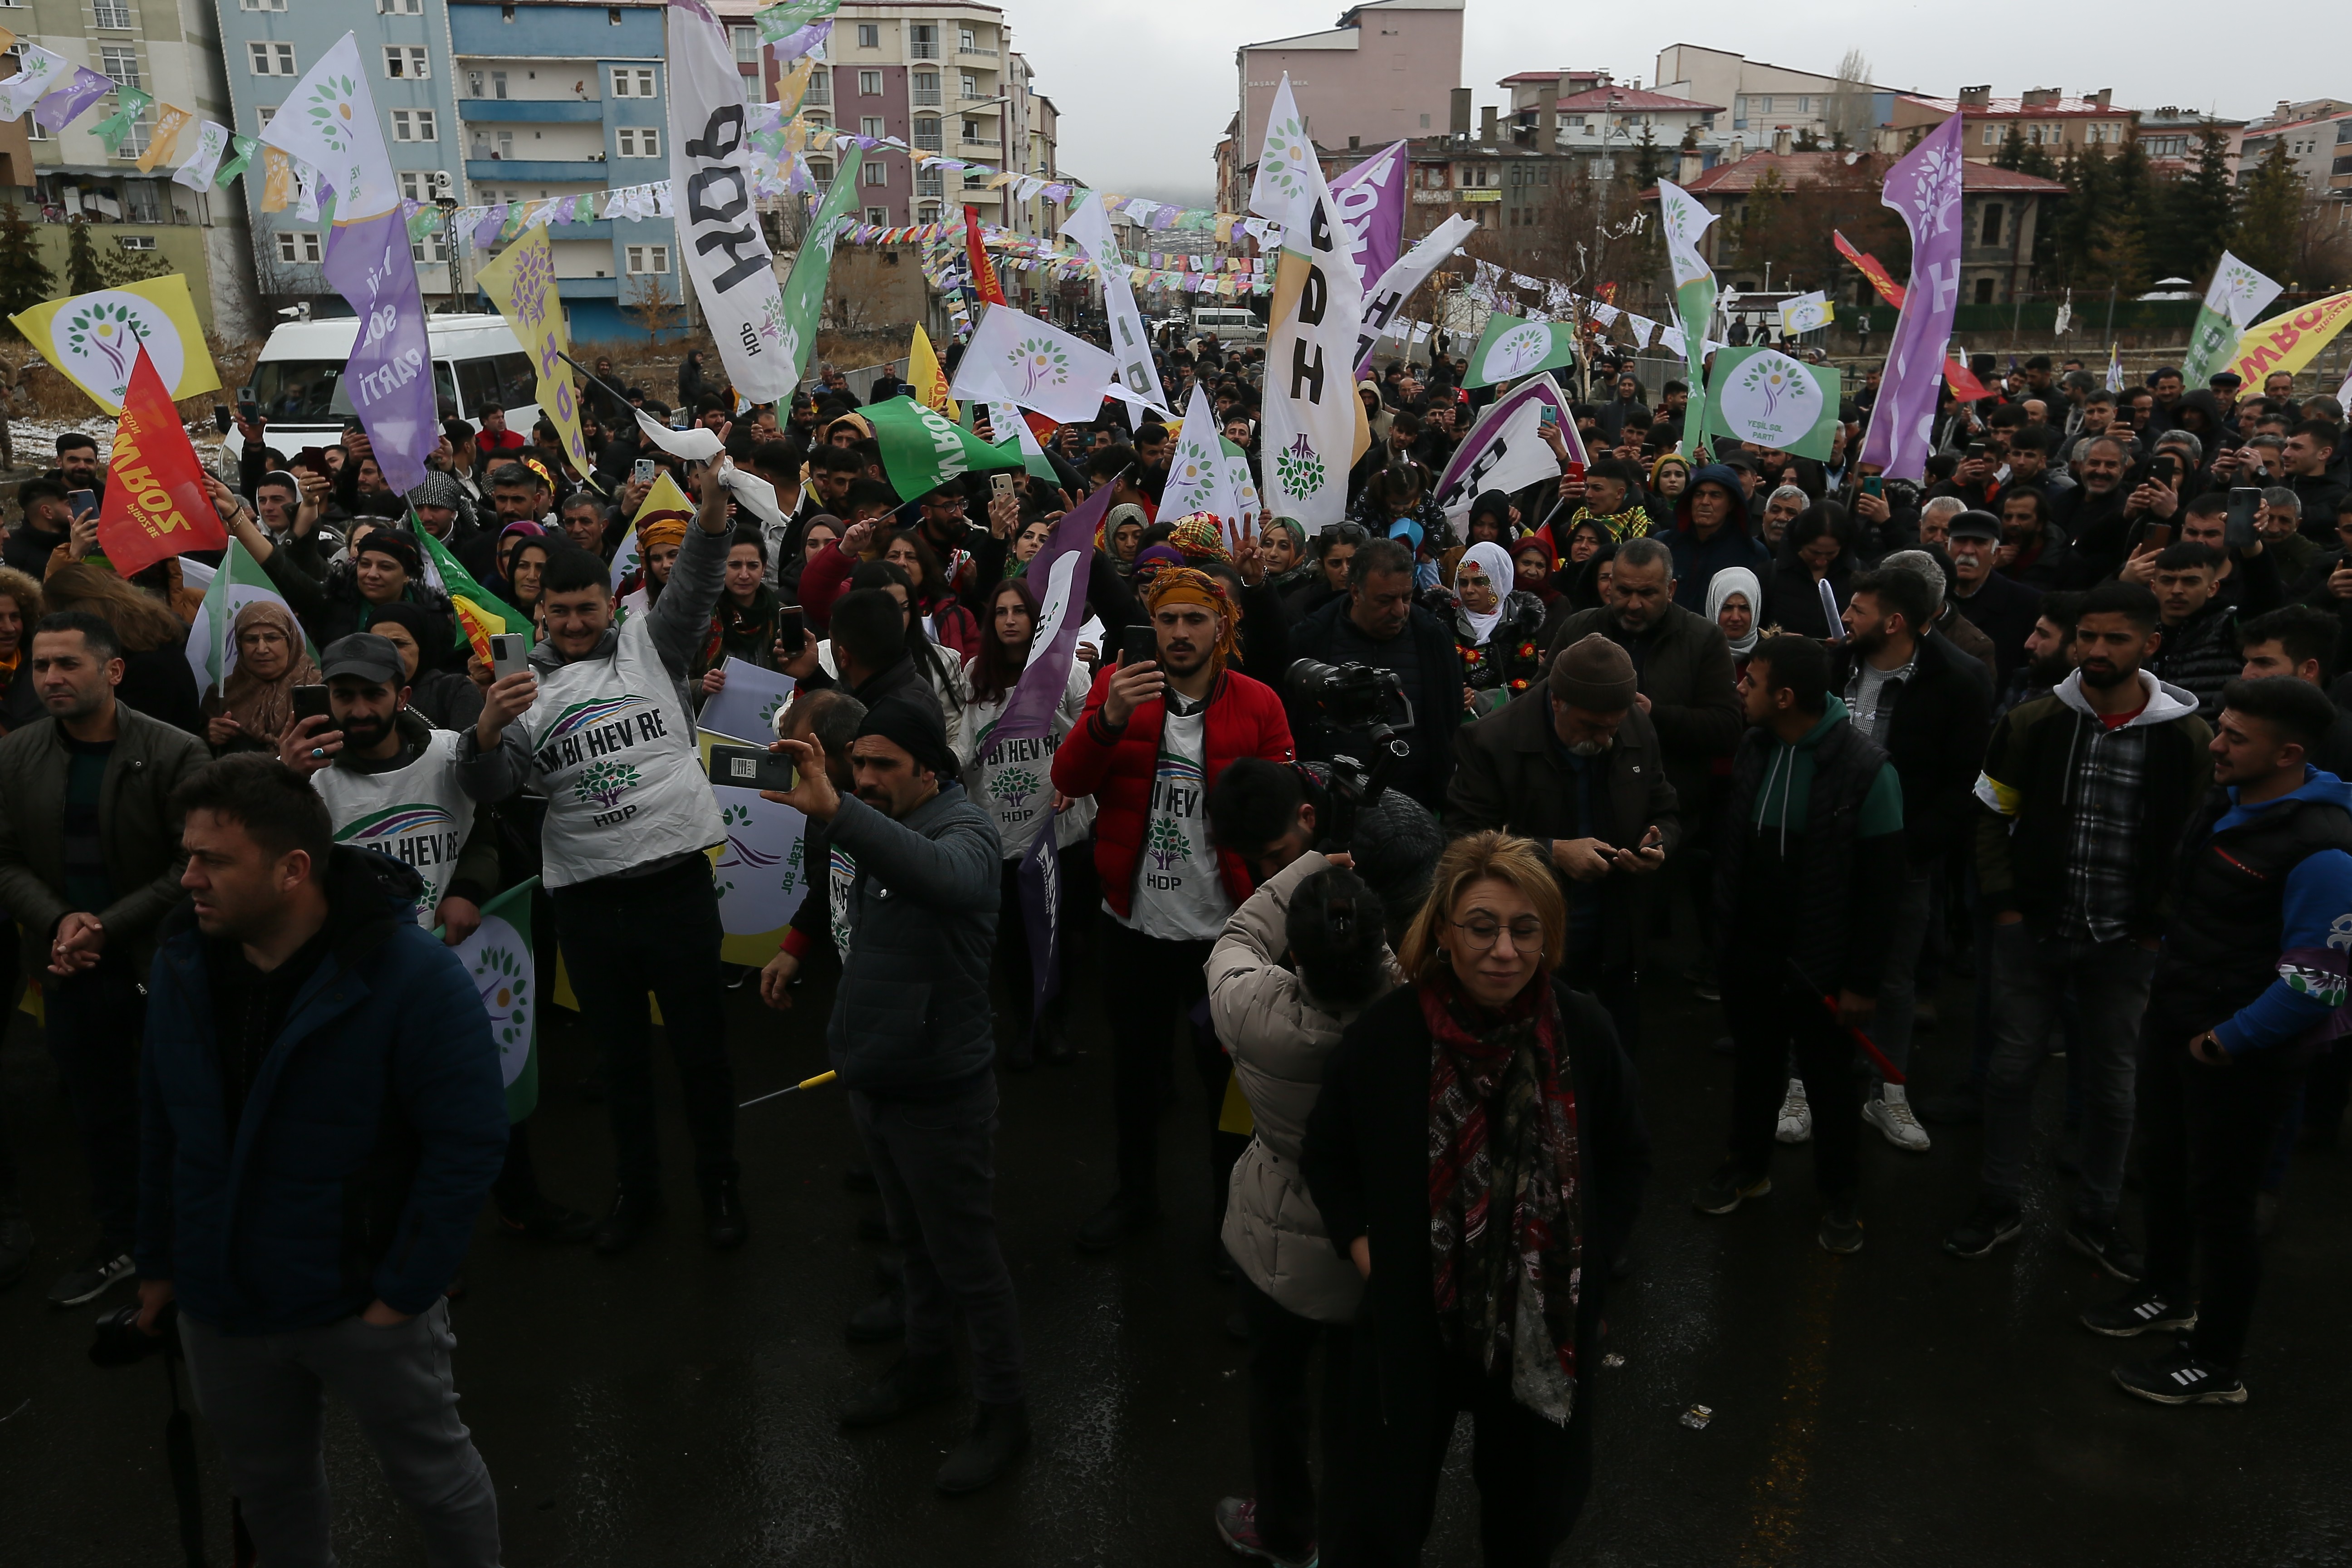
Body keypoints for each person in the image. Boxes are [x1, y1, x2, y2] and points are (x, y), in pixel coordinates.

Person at [134, 755, 509, 1567]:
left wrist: (402, 1292)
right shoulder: (180, 965)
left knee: (433, 1479)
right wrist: (163, 1263)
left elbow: (468, 1142)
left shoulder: (413, 977)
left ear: (292, 869)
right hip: (222, 1303)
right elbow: (163, 1122)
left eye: (213, 860)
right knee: (267, 1485)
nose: (189, 878)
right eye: (186, 855)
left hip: (361, 1301)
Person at [1300, 832, 1648, 1568]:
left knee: (1524, 1520)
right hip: (1413, 1322)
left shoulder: (1581, 1029)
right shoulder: (1387, 1037)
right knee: (1379, 1518)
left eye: (1525, 930)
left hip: (1535, 1319)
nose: (1503, 951)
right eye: (1481, 926)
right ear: (1444, 931)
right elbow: (1327, 1152)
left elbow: (1625, 1155)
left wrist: (1590, 1265)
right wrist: (1368, 1252)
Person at [455, 466, 743, 1255]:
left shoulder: (655, 643)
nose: (575, 624)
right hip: (587, 902)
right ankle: (637, 1194)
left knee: (701, 1054)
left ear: (608, 605)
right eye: (561, 613)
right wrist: (483, 729)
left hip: (677, 886)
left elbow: (698, 576)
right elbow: (489, 787)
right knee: (620, 1065)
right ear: (538, 613)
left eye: (587, 610)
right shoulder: (521, 689)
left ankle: (720, 1189)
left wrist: (712, 507)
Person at [762, 695, 1030, 1494]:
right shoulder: (868, 820)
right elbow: (848, 909)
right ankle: (924, 1365)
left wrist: (841, 810)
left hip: (939, 1088)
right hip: (874, 1073)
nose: (867, 778)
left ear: (929, 769)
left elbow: (941, 877)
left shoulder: (964, 832)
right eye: (861, 763)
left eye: (885, 766)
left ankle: (1005, 1412)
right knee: (910, 1243)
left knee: (967, 1260)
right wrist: (792, 952)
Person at [2086, 679, 2352, 1403]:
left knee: (2224, 1209)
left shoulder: (2323, 851)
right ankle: (2168, 1292)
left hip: (2238, 1058)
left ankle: (2214, 1365)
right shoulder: (2229, 799)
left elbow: (2319, 984)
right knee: (2167, 1171)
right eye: (2221, 728)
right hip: (2177, 1026)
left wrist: (2226, 1042)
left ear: (2290, 753)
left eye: (2237, 736)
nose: (2219, 744)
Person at [1951, 580, 2213, 1275]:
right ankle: (1999, 1200)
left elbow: (2195, 840)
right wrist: (2005, 905)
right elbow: (1991, 813)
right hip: (2034, 934)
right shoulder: (2035, 722)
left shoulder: (2187, 739)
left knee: (2112, 1085)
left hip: (2127, 946)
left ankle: (2096, 1215)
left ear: (2150, 645)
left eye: (2115, 639)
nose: (2096, 650)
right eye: (2088, 637)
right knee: (2010, 1072)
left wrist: (2159, 927)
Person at [1050, 564, 1295, 1252]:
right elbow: (1068, 780)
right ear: (1149, 626)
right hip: (1134, 928)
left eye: (1196, 620)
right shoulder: (1117, 688)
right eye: (1168, 620)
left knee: (1228, 1084)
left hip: (1227, 940)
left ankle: (1232, 1216)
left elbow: (1282, 817)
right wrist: (1110, 718)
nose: (1180, 634)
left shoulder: (1258, 704)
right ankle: (1136, 1197)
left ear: (1223, 628)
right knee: (1134, 1073)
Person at [0, 611, 209, 1305]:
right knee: (100, 1115)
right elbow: (6, 860)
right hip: (71, 970)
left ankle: (197, 1245)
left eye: (67, 664)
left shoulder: (178, 753)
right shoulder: (15, 756)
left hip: (161, 966)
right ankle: (124, 1240)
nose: (51, 679)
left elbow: (192, 861)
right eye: (41, 666)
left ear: (112, 670)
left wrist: (106, 927)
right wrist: (60, 923)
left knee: (180, 1109)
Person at [1207, 853, 1393, 1568]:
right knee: (1358, 1410)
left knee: (1276, 1388)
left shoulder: (1253, 1010)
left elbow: (1235, 939)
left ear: (1299, 952)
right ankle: (1351, 1537)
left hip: (1272, 1233)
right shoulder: (1411, 1012)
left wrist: (1307, 868)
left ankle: (1286, 1529)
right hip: (1372, 1243)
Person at [1694, 635, 1903, 1253]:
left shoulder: (1869, 771)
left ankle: (1841, 1197)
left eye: (1750, 681)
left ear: (1784, 697)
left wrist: (1863, 981)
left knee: (1831, 1086)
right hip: (1751, 957)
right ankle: (1747, 1167)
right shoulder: (1755, 747)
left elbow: (1882, 890)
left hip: (1825, 967)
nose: (1740, 689)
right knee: (1756, 1069)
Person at [1447, 636, 1677, 1053]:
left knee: (1613, 1064)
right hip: (1531, 947)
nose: (1607, 739)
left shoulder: (1634, 726)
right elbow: (1462, 842)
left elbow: (1666, 808)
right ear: (1557, 702)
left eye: (1614, 726)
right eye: (1592, 727)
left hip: (1615, 940)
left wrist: (1659, 842)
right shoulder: (1491, 743)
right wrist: (1551, 853)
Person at [1834, 568, 1992, 1151]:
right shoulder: (1836, 664)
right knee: (1815, 965)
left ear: (1894, 622)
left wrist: (1908, 847)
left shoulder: (1959, 680)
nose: (1846, 618)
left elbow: (1963, 783)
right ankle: (1802, 1080)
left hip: (1904, 860)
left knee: (1894, 978)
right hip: (1826, 854)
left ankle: (1888, 1089)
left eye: (1857, 608)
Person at [956, 575, 1096, 1066]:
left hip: (1060, 830)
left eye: (1021, 612)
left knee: (1059, 934)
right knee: (1015, 938)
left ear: (1038, 622)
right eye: (1001, 612)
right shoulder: (973, 676)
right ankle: (1027, 1026)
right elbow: (959, 741)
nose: (1011, 620)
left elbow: (1091, 738)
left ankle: (1058, 1023)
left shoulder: (1067, 673)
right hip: (999, 831)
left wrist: (1076, 776)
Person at [1286, 537, 1461, 811]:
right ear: (1356, 593)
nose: (1399, 610)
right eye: (1386, 600)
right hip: (1331, 804)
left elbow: (1448, 724)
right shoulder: (1311, 638)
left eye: (1406, 597)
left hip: (1416, 804)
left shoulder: (1434, 639)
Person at [1448, 540, 1545, 722]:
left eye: (1479, 582)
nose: (1469, 590)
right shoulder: (1446, 624)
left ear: (1498, 581)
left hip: (1505, 725)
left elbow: (1527, 684)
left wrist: (1481, 699)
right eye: (1463, 582)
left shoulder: (1520, 626)